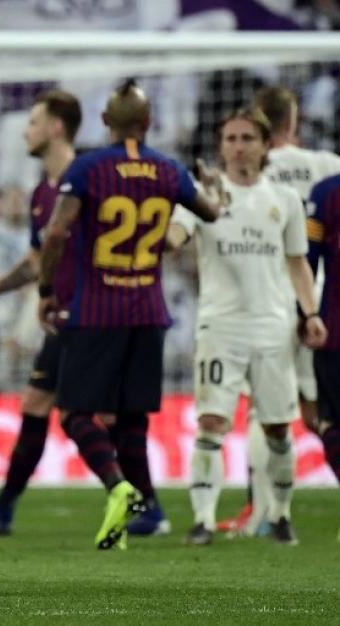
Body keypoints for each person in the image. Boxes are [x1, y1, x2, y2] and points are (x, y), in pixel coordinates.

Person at [37, 80, 222, 549]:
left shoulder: (88, 168)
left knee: (77, 412)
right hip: (149, 310)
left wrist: (45, 288)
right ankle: (150, 508)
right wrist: (214, 187)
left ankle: (120, 487)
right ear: (148, 122)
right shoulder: (170, 170)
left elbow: (57, 233)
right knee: (131, 418)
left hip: (98, 308)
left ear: (104, 121)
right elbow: (211, 212)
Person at [166, 107, 327, 546]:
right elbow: (171, 241)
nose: (239, 147)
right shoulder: (202, 195)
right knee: (212, 421)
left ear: (265, 146)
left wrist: (311, 313)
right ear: (221, 146)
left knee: (277, 427)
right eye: (231, 138)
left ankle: (279, 515)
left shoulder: (286, 201)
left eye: (247, 138)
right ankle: (202, 520)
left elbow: (298, 265)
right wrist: (197, 211)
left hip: (273, 328)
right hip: (220, 326)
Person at [0, 89, 90, 535]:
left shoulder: (88, 181)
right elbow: (35, 259)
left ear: (55, 128)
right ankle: (4, 509)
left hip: (92, 314)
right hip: (63, 317)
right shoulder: (40, 194)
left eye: (33, 122)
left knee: (84, 416)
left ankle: (141, 503)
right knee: (44, 405)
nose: (26, 131)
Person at [216, 86, 340, 534]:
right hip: (322, 302)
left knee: (264, 412)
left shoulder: (255, 173)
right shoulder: (328, 166)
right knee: (317, 413)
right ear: (295, 119)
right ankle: (274, 513)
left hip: (268, 299)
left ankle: (261, 513)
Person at [303, 172, 340, 541]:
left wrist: (305, 314)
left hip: (335, 327)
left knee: (329, 421)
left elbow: (307, 259)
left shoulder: (327, 192)